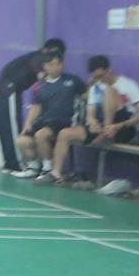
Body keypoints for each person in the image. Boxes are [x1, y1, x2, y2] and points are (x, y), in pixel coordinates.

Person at [49, 56, 139, 186]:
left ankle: (107, 131)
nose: (100, 80)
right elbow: (90, 112)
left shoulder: (128, 84)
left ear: (109, 69)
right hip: (101, 126)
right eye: (96, 77)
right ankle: (56, 173)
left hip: (123, 127)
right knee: (64, 134)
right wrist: (92, 120)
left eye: (101, 76)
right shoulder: (96, 86)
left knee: (109, 91)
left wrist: (119, 125)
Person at [0, 38, 66, 173]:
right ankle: (16, 164)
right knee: (12, 127)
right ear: (47, 50)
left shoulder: (36, 56)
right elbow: (42, 77)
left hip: (5, 89)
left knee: (6, 127)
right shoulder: (40, 58)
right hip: (9, 89)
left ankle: (10, 163)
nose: (54, 61)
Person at [12, 53, 87, 182]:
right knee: (22, 141)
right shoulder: (39, 85)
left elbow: (87, 97)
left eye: (58, 64)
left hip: (64, 121)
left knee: (41, 135)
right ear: (45, 66)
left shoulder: (73, 81)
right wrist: (28, 123)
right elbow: (36, 106)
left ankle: (47, 169)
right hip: (43, 121)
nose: (55, 67)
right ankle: (33, 167)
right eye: (51, 64)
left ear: (62, 64)